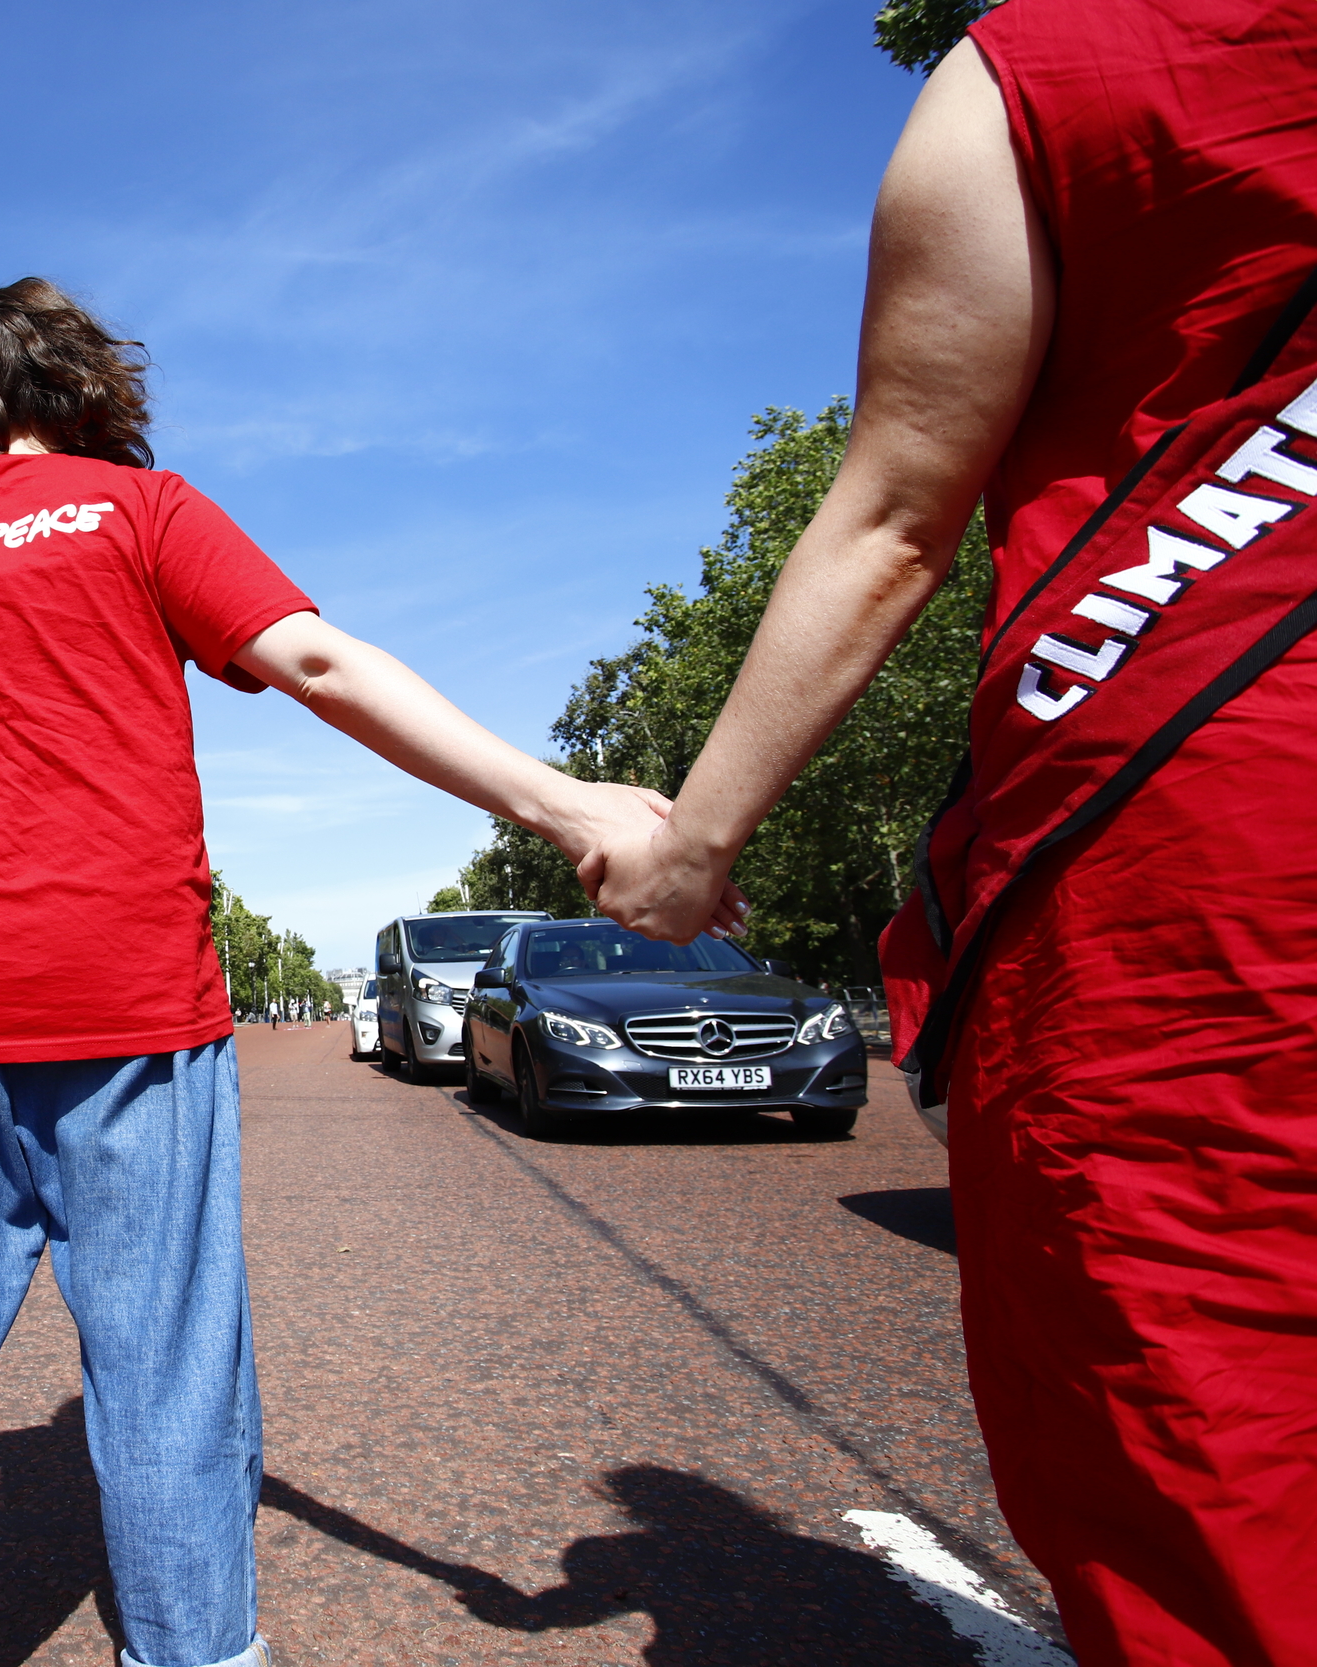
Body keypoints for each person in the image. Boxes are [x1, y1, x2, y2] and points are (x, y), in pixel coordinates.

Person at [0, 278, 722, 1667]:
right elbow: (315, 658)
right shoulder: (144, 511)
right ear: (83, 396)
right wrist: (563, 803)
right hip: (128, 1009)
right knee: (171, 1384)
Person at [584, 7, 1317, 1661]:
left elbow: (902, 505)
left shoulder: (1049, 69)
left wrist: (695, 846)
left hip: (1198, 850)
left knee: (1219, 1462)